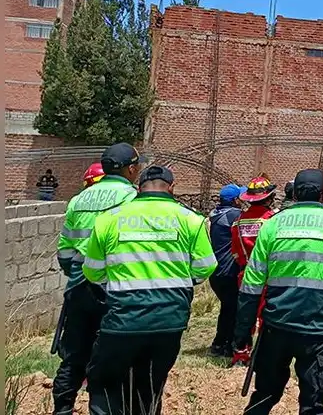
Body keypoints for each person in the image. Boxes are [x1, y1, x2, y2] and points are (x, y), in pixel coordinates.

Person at [82, 165, 217, 415]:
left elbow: (92, 271)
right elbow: (206, 266)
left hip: (123, 319)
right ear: (172, 187)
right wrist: (181, 282)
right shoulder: (191, 219)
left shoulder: (109, 219)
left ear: (138, 187)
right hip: (170, 320)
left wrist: (115, 281)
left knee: (104, 384)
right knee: (149, 387)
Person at [235, 169, 323, 415]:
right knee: (313, 405)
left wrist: (242, 332)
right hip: (317, 330)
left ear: (294, 194)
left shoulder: (272, 225)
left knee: (264, 396)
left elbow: (252, 284)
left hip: (276, 327)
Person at [51, 144, 140, 415]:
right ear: (131, 169)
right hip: (114, 288)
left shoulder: (79, 200)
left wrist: (76, 273)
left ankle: (62, 409)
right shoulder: (133, 198)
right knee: (110, 356)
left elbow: (65, 250)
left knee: (73, 356)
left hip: (79, 287)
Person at [231, 174, 278, 364]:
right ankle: (264, 354)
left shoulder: (238, 222)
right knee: (266, 315)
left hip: (245, 273)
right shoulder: (272, 221)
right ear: (269, 198)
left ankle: (241, 354)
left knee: (245, 314)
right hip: (268, 275)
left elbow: (235, 252)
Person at [207, 184, 246, 358]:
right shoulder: (234, 215)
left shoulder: (216, 214)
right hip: (228, 271)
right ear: (235, 200)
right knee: (233, 309)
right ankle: (226, 346)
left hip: (216, 271)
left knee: (227, 308)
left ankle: (220, 344)